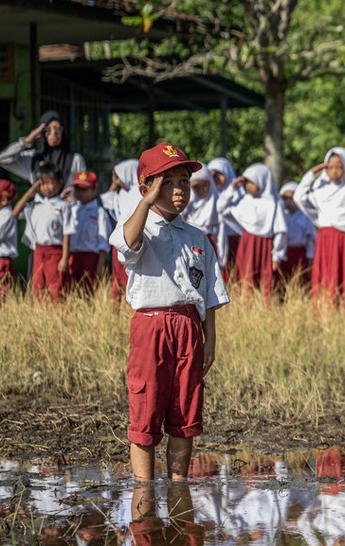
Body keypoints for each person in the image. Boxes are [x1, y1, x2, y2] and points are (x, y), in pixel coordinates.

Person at [109, 142, 229, 482]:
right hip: (151, 327)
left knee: (185, 412)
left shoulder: (197, 237)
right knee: (146, 409)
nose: (179, 190)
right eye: (169, 181)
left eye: (184, 181)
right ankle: (144, 493)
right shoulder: (137, 226)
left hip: (189, 327)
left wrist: (210, 340)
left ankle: (179, 489)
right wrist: (146, 202)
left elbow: (210, 293)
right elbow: (126, 246)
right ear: (147, 186)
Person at [293, 147, 345, 310]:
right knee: (325, 276)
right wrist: (311, 174)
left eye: (339, 167)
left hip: (344, 244)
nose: (334, 172)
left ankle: (344, 312)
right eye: (330, 167)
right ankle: (323, 312)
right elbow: (299, 197)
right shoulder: (321, 191)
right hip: (325, 241)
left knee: (343, 278)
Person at [218, 163, 288, 297]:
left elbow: (281, 231)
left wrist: (277, 255)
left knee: (264, 278)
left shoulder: (274, 203)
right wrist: (232, 189)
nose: (247, 186)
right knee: (245, 275)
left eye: (252, 182)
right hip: (247, 243)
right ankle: (246, 304)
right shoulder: (245, 201)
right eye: (246, 182)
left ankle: (263, 307)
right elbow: (221, 208)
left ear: (262, 181)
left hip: (266, 245)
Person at [12, 161, 75, 302]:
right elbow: (15, 213)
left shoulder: (63, 206)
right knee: (37, 285)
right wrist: (29, 193)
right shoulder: (35, 204)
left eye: (50, 183)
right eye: (42, 183)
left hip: (55, 251)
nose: (46, 187)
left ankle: (58, 315)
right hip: (38, 251)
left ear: (60, 183)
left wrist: (65, 258)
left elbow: (67, 233)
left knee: (56, 286)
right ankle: (40, 316)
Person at [0, 110, 86, 185]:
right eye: (48, 129)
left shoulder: (75, 160)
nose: (53, 133)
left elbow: (83, 187)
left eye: (57, 128)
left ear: (63, 131)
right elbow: (2, 160)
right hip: (41, 206)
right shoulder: (32, 158)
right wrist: (25, 142)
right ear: (41, 132)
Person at [101, 159, 140, 300]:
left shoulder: (139, 192)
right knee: (118, 276)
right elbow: (107, 199)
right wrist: (116, 183)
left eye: (118, 176)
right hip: (120, 240)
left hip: (130, 241)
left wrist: (116, 183)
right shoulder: (124, 193)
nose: (116, 180)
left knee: (127, 277)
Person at [68, 171, 112, 294]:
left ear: (94, 190)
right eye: (77, 189)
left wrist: (100, 265)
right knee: (69, 291)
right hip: (72, 256)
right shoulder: (71, 210)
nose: (80, 193)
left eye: (84, 189)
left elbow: (103, 242)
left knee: (88, 292)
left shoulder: (99, 212)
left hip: (90, 258)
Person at [208, 157, 243, 283]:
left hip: (233, 239)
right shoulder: (206, 194)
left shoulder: (239, 194)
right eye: (212, 174)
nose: (215, 177)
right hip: (213, 240)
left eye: (219, 173)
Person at [278, 181, 315, 298]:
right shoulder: (280, 214)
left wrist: (310, 259)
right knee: (282, 281)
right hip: (283, 253)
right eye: (285, 198)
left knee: (299, 281)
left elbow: (311, 240)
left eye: (292, 198)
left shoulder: (305, 216)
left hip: (299, 254)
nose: (288, 202)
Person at [182, 164, 220, 249]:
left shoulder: (217, 202)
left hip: (211, 243)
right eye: (196, 187)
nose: (201, 189)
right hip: (190, 241)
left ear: (210, 183)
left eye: (204, 185)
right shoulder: (188, 203)